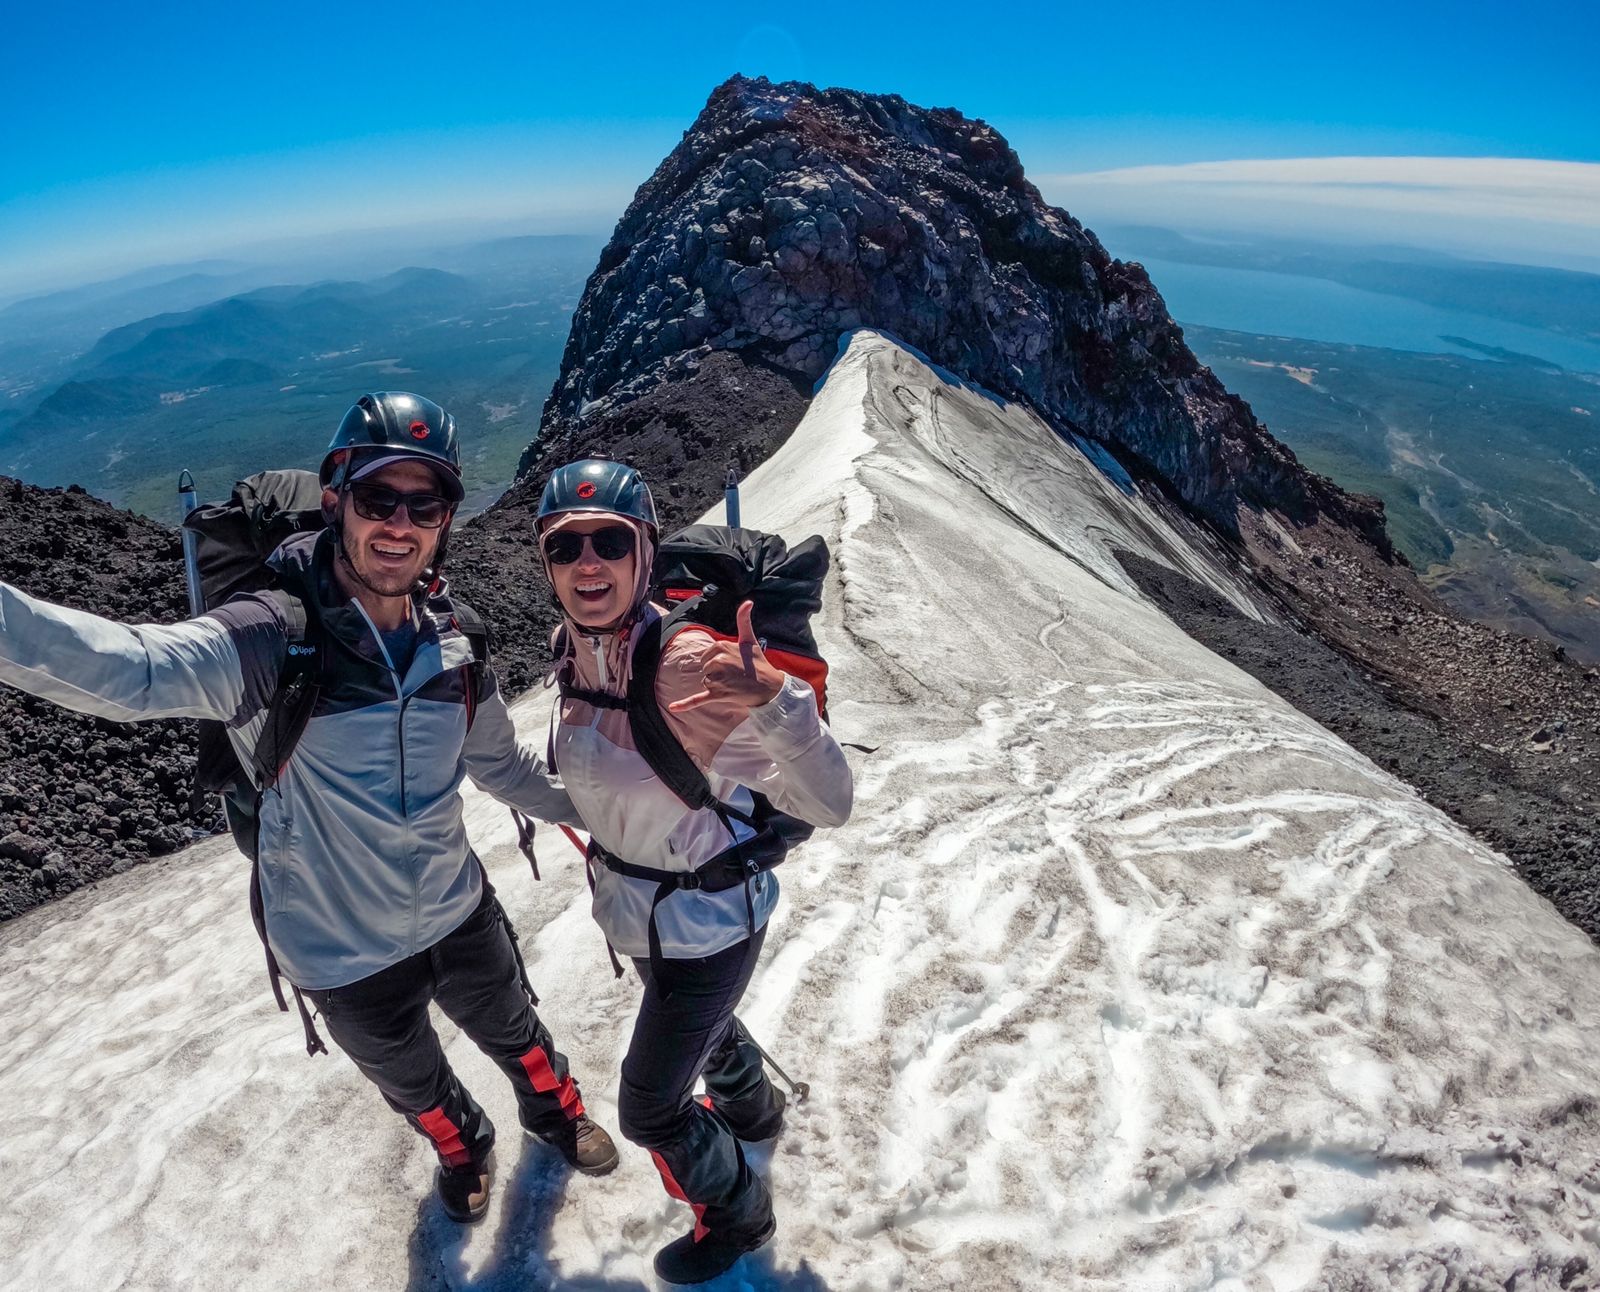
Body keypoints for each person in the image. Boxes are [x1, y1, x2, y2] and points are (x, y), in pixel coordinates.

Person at [0, 392, 617, 1224]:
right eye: (377, 499)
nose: (399, 523)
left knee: (519, 1036)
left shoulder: (455, 643)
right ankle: (463, 1145)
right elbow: (130, 668)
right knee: (413, 1080)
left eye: (424, 503)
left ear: (444, 521)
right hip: (338, 954)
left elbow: (501, 767)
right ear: (336, 501)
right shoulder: (269, 638)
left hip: (456, 910)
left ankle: (557, 1113)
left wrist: (621, 817)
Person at [535, 458, 853, 1284]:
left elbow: (830, 800)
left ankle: (740, 1216)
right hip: (644, 915)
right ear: (546, 565)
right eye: (567, 547)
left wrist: (780, 703)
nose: (589, 563)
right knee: (693, 1037)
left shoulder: (689, 668)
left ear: (644, 551)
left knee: (649, 1108)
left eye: (610, 541)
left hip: (711, 928)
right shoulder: (573, 657)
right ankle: (753, 1104)